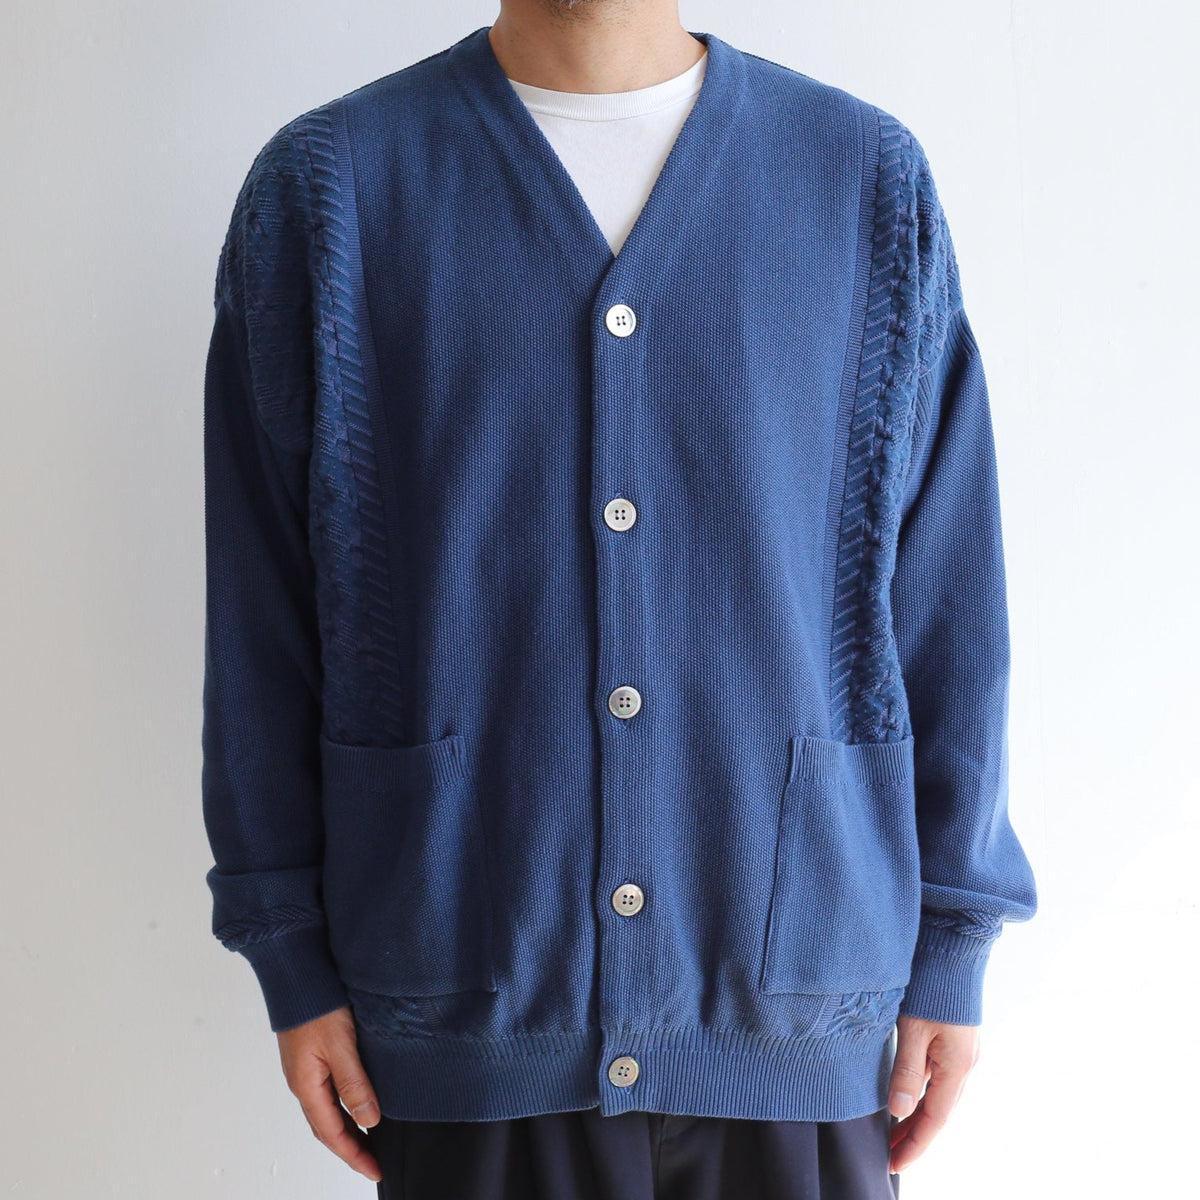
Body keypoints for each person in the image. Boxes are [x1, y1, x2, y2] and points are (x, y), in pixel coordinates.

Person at [200, 1, 1039, 1196]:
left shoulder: (861, 179)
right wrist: (288, 949)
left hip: (797, 1006)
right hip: (472, 997)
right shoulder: (331, 191)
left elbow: (947, 591)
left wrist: (954, 936)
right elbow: (264, 617)